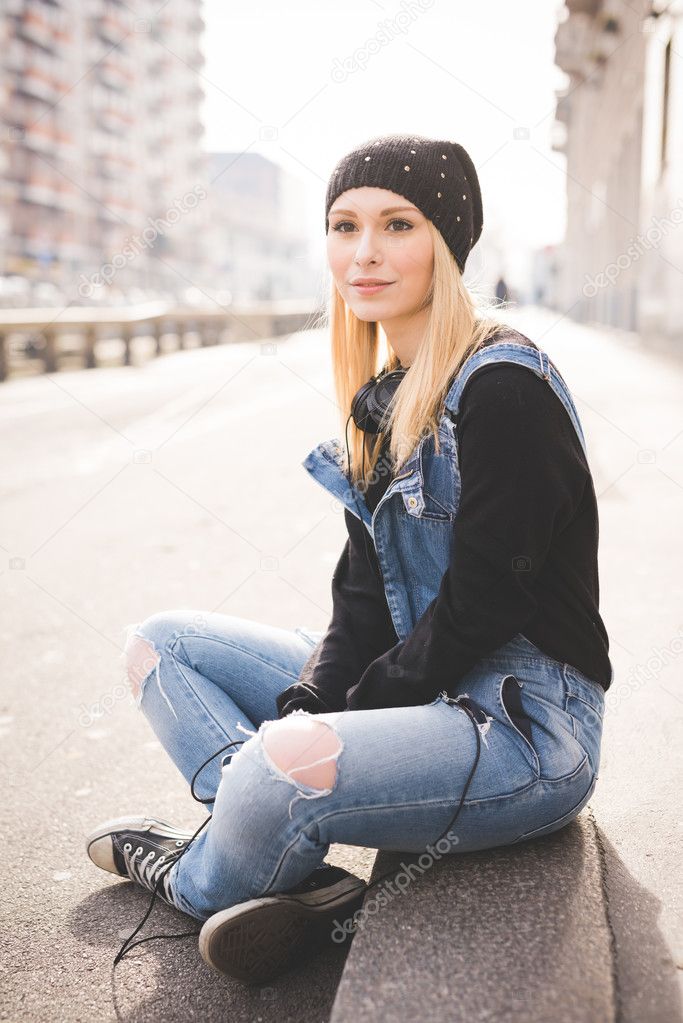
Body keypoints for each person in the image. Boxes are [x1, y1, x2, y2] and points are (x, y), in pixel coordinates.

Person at [85, 133, 613, 986]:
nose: (363, 252)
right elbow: (362, 608)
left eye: (397, 225)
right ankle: (285, 856)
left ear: (444, 243)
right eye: (343, 225)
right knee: (160, 644)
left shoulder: (504, 387)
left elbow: (483, 606)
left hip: (524, 731)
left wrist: (337, 726)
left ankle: (197, 873)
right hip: (429, 684)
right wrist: (307, 710)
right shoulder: (382, 403)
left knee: (273, 765)